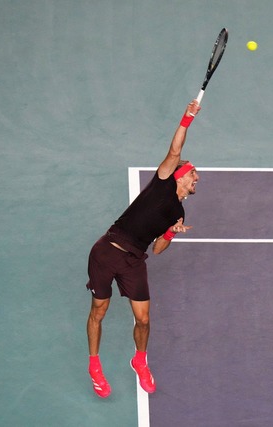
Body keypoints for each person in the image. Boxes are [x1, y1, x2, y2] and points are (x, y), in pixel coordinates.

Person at [86, 99, 202, 398]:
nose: (197, 178)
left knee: (144, 319)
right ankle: (94, 365)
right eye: (193, 174)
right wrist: (186, 118)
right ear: (179, 174)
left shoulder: (180, 213)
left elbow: (159, 249)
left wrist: (171, 232)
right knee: (99, 311)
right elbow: (175, 151)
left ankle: (140, 360)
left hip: (134, 260)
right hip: (106, 251)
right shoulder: (163, 180)